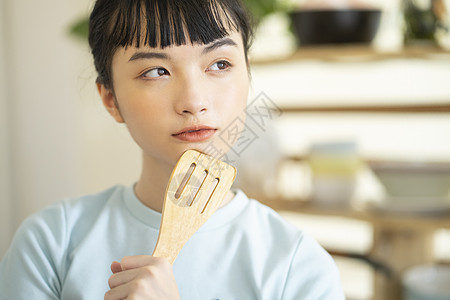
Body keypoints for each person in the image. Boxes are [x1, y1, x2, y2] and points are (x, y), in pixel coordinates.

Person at [0, 0, 345, 299]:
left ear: (248, 74)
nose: (194, 101)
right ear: (111, 99)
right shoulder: (51, 244)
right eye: (156, 71)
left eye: (220, 64)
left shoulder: (297, 265)